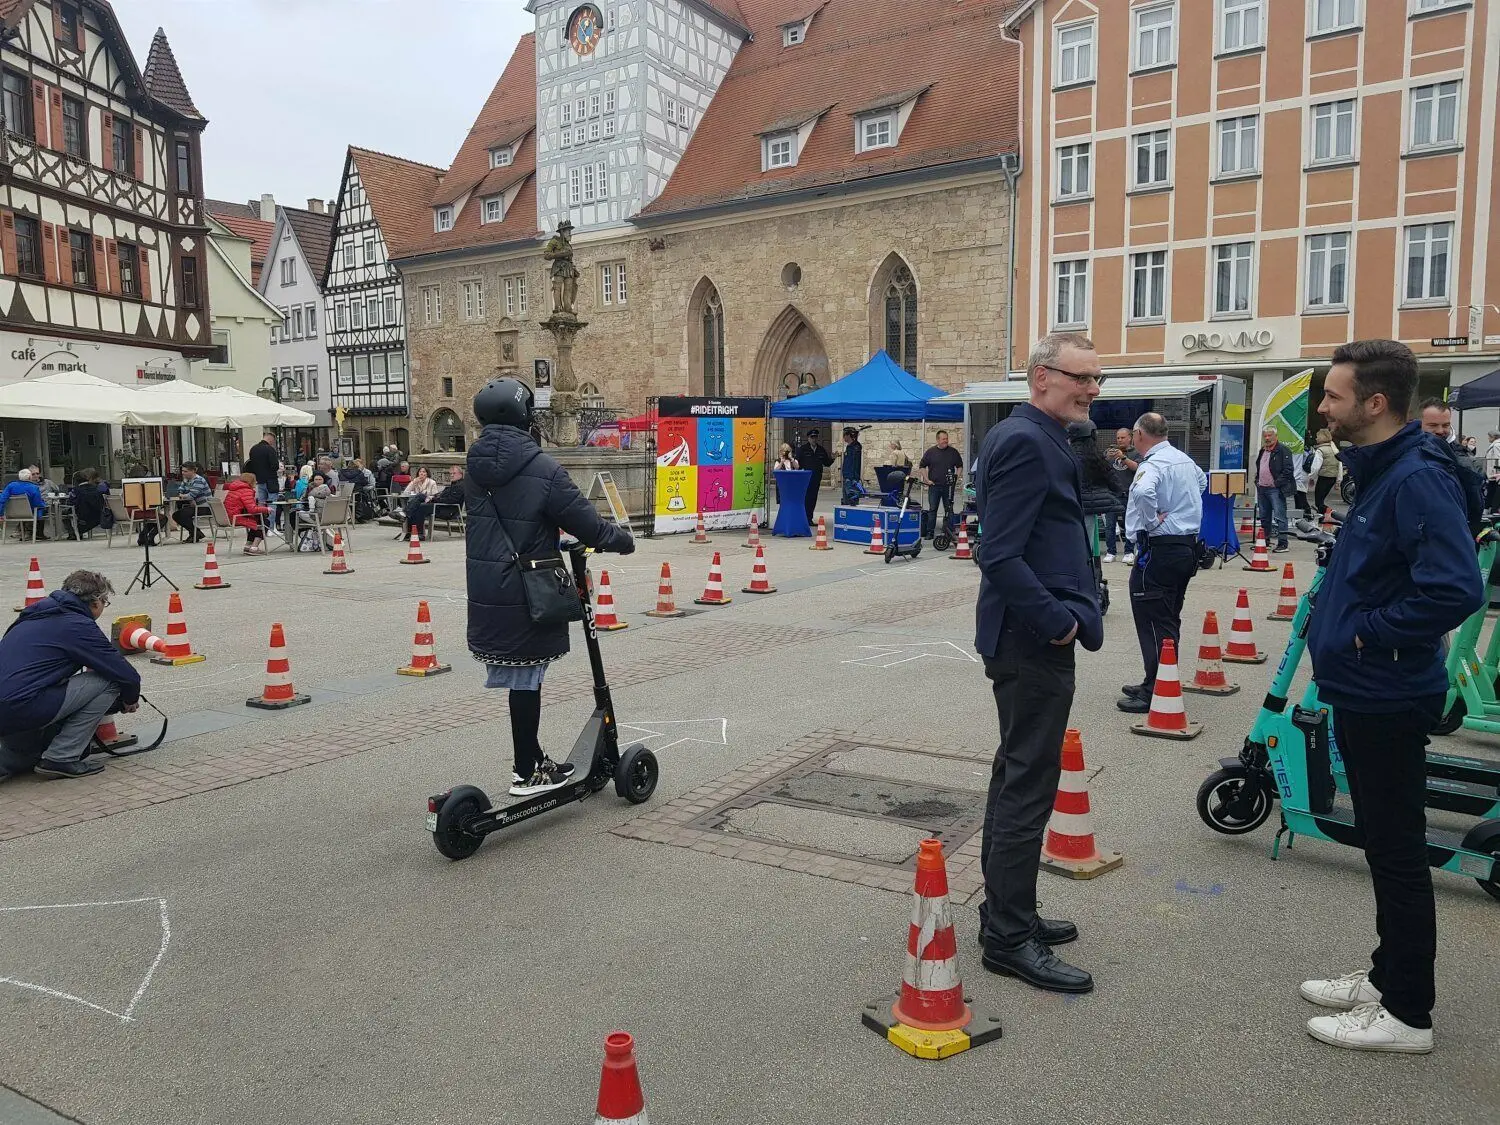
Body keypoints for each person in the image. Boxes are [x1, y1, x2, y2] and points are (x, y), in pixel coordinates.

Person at [1300, 339, 1482, 1055]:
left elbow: (1455, 587)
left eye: (1334, 396)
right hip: (1367, 687)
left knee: (1398, 853)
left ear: (1375, 403)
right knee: (1384, 846)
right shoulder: (1383, 472)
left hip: (1386, 691)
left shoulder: (1414, 479)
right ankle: (1386, 976)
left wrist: (1367, 634)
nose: (1323, 406)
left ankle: (1406, 1011)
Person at [973, 331, 1104, 995]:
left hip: (1029, 637)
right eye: (1082, 377)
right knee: (1028, 784)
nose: (1091, 389)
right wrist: (1059, 622)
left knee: (1015, 775)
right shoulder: (1026, 439)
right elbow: (998, 554)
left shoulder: (1043, 434)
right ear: (1042, 377)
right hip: (1031, 640)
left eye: (1097, 379)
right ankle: (1008, 936)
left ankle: (1004, 911)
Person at [465, 377, 634, 797]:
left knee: (523, 675)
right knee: (526, 677)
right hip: (528, 587)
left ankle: (532, 760)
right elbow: (586, 522)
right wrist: (622, 539)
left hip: (488, 585)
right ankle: (527, 771)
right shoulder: (542, 467)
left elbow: (507, 518)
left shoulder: (475, 468)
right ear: (524, 416)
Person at [0, 570, 139, 781]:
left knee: (23, 753)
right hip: (21, 706)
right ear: (96, 602)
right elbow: (126, 674)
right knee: (109, 682)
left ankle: (24, 753)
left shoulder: (31, 615)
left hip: (11, 706)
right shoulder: (77, 624)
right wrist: (130, 699)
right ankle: (61, 756)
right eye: (105, 602)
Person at [1115, 413, 1206, 713]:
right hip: (1186, 547)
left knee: (1152, 616)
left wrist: (1153, 520)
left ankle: (1155, 688)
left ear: (1140, 434)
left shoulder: (1152, 464)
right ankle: (1161, 677)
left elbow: (1141, 491)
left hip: (1161, 548)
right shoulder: (1182, 459)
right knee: (1168, 615)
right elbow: (1202, 482)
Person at [1067, 420, 1123, 563]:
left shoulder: (1065, 454)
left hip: (1068, 508)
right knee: (1087, 549)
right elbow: (1114, 482)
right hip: (1089, 509)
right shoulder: (1096, 457)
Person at [918, 430, 965, 540]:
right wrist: (926, 479)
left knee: (949, 509)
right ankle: (930, 532)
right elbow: (922, 466)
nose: (946, 441)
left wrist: (956, 477)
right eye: (943, 439)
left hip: (948, 487)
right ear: (938, 440)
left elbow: (959, 466)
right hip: (934, 486)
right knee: (932, 509)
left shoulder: (953, 452)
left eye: (946, 439)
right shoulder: (930, 452)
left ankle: (949, 532)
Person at [1254, 426, 1295, 552]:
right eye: (1265, 435)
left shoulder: (1283, 450)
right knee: (1264, 516)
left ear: (1276, 436)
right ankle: (1264, 541)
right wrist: (1257, 481)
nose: (1267, 438)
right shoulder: (1263, 450)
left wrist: (1276, 483)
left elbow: (1288, 470)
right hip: (1262, 488)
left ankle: (1283, 543)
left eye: (1270, 435)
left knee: (1280, 516)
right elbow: (1259, 466)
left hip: (1275, 489)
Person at [1101, 428, 1138, 563]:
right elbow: (1100, 468)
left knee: (1130, 523)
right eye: (1118, 438)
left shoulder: (1135, 452)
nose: (1120, 440)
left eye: (1122, 438)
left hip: (1129, 493)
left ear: (1130, 438)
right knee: (1110, 524)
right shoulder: (1109, 453)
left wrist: (1123, 457)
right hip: (1112, 493)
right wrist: (1106, 458)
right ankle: (1111, 552)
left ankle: (1129, 551)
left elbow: (1137, 468)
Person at [404, 465, 464, 541]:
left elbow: (451, 500)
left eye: (454, 473)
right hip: (441, 506)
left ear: (460, 474)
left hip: (448, 510)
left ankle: (413, 527)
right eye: (450, 473)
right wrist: (434, 498)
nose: (451, 475)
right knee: (418, 500)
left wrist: (435, 499)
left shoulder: (460, 486)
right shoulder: (454, 484)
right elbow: (442, 495)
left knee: (420, 506)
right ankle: (412, 531)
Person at [223, 471, 270, 554]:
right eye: (255, 480)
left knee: (257, 519)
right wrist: (266, 509)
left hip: (228, 517)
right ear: (251, 481)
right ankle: (254, 547)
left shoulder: (233, 489)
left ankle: (248, 546)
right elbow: (252, 509)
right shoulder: (246, 490)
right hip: (236, 518)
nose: (256, 482)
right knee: (264, 522)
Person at [793, 429, 831, 525]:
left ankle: (809, 518)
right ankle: (803, 518)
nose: (814, 439)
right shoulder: (803, 449)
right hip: (805, 478)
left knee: (813, 498)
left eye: (815, 437)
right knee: (805, 498)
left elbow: (826, 463)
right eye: (812, 437)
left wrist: (833, 458)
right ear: (808, 438)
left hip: (816, 478)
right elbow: (797, 463)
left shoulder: (821, 450)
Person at [1, 468, 48, 539]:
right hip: (29, 513)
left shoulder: (11, 486)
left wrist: (1, 514)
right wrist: (44, 505)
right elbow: (37, 504)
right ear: (30, 477)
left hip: (13, 513)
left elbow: (2, 499)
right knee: (42, 509)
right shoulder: (34, 487)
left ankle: (23, 532)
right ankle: (37, 533)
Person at [172, 462, 211, 541]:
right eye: (182, 471)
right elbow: (179, 491)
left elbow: (191, 495)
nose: (183, 473)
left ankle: (195, 534)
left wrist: (185, 496)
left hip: (204, 507)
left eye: (185, 471)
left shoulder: (199, 480)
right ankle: (196, 533)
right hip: (194, 506)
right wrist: (185, 495)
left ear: (193, 471)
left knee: (181, 515)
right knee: (176, 515)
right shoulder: (186, 480)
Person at [66, 471, 105, 538]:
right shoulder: (97, 488)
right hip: (99, 517)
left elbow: (71, 503)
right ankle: (76, 532)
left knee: (63, 513)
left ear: (76, 481)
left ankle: (74, 532)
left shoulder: (76, 490)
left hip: (83, 519)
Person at [1312, 428, 1341, 516]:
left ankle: (1332, 514)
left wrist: (1311, 477)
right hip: (1332, 478)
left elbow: (1316, 467)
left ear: (1321, 438)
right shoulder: (1334, 449)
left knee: (1318, 502)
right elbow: (1340, 466)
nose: (1316, 439)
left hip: (1323, 477)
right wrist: (1338, 481)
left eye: (1317, 437)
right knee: (1321, 501)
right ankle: (1324, 519)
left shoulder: (1320, 450)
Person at [246, 431, 280, 507]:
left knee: (261, 503)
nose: (272, 444)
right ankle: (270, 519)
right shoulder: (270, 449)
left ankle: (262, 518)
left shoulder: (253, 449)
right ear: (271, 439)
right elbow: (275, 466)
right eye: (273, 442)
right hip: (271, 481)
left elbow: (251, 465)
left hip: (259, 480)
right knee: (272, 504)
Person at [1292, 441, 1322, 522]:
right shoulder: (1310, 449)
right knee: (1300, 494)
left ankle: (1305, 514)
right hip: (1304, 474)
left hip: (1300, 473)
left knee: (1300, 495)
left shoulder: (1299, 449)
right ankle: (1301, 514)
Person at [839, 427, 863, 505]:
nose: (843, 437)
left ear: (848, 435)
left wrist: (854, 478)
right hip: (847, 477)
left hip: (851, 478)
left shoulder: (855, 447)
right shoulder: (849, 447)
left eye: (844, 435)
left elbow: (854, 464)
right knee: (846, 501)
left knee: (852, 501)